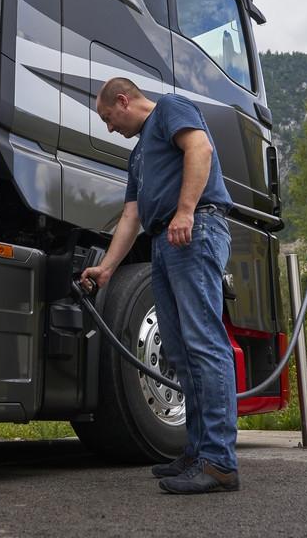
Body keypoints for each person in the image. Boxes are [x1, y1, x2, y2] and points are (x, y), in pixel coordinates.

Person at [80, 77, 238, 495]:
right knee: (180, 351)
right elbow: (131, 216)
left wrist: (186, 211)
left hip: (196, 227)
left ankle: (220, 461)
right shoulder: (137, 158)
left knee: (204, 343)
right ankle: (198, 451)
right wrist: (108, 268)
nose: (109, 127)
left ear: (123, 99)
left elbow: (199, 149)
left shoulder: (171, 108)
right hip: (164, 242)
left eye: (107, 117)